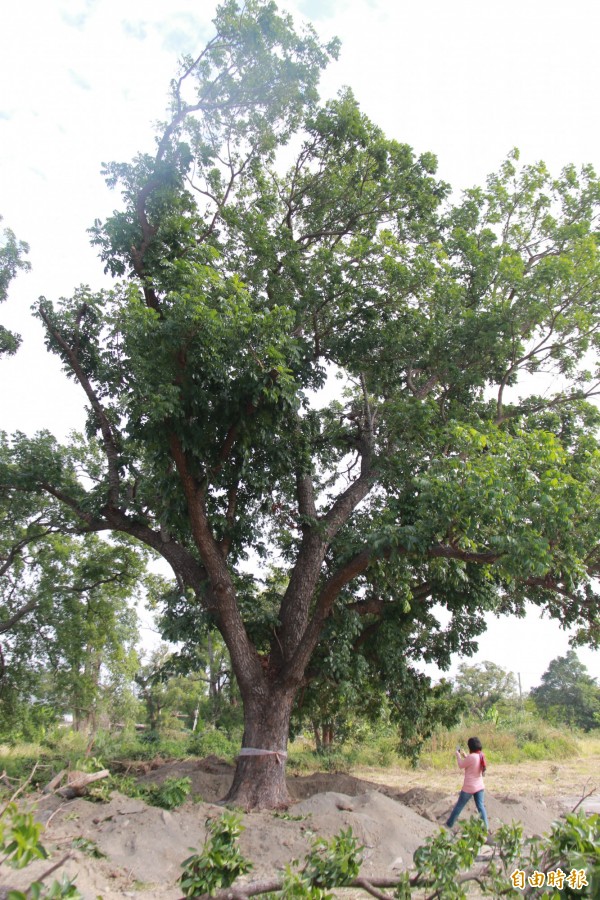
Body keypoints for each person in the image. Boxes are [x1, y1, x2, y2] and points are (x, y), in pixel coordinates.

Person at [446, 736, 489, 830]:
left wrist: (458, 755)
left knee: (459, 806)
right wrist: (465, 756)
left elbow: (461, 765)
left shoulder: (471, 757)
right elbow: (473, 763)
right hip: (480, 786)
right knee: (481, 807)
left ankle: (449, 824)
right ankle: (486, 828)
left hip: (469, 787)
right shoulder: (481, 755)